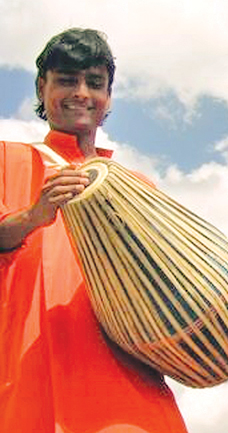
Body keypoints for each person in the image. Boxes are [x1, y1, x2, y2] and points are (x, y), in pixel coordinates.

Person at [0, 29, 188, 432]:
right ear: (41, 87)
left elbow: (168, 288)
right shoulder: (7, 158)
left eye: (95, 83)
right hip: (29, 373)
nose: (81, 93)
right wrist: (35, 214)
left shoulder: (137, 185)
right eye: (66, 80)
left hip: (126, 380)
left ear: (109, 97)